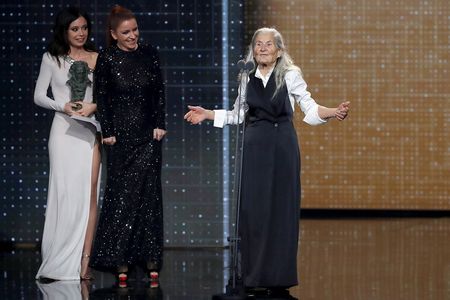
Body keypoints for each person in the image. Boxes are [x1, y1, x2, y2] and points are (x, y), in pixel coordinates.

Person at [184, 27, 350, 295]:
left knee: (281, 210)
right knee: (254, 210)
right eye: (258, 44)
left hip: (282, 146)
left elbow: (309, 106)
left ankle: (278, 278)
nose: (262, 48)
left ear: (279, 50)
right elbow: (238, 114)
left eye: (268, 45)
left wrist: (333, 112)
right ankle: (253, 275)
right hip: (255, 146)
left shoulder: (290, 75)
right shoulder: (245, 77)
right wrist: (208, 114)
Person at [90, 5, 166, 286]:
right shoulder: (107, 58)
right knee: (121, 198)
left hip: (148, 137)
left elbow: (159, 92)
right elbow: (102, 96)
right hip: (120, 138)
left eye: (135, 30)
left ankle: (150, 258)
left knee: (148, 198)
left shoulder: (150, 55)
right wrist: (107, 131)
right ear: (113, 34)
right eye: (126, 32)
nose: (132, 36)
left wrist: (160, 123)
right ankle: (119, 258)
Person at [34, 7, 100, 281]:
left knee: (89, 195)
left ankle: (83, 263)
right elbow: (38, 96)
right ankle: (58, 259)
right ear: (64, 31)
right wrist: (61, 106)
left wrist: (93, 106)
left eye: (84, 28)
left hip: (90, 131)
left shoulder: (98, 58)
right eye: (75, 29)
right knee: (64, 195)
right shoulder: (52, 59)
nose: (80, 33)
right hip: (63, 133)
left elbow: (107, 96)